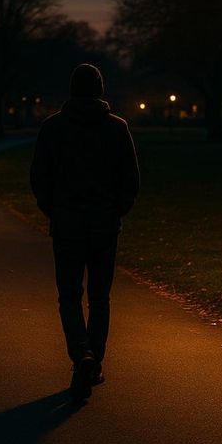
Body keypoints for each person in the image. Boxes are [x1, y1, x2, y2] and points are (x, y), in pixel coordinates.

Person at [30, 63, 140, 402]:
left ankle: (82, 355)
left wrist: (55, 210)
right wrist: (114, 210)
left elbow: (40, 178)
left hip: (67, 224)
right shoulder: (117, 128)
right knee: (99, 298)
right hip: (104, 224)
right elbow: (130, 180)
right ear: (100, 89)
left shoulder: (53, 128)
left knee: (69, 295)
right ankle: (94, 359)